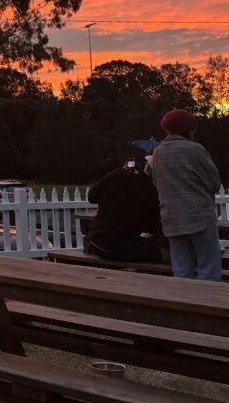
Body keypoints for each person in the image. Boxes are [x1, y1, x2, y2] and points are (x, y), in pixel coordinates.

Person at [149, 108, 223, 281]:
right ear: (190, 129)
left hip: (171, 218)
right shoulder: (195, 149)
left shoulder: (158, 153)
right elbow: (213, 183)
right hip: (199, 216)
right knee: (208, 268)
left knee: (181, 269)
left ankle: (184, 302)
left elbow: (156, 183)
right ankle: (206, 304)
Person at [86, 157, 162, 263]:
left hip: (95, 241)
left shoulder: (117, 174)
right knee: (158, 251)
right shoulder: (153, 194)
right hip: (120, 248)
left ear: (147, 166)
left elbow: (92, 197)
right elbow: (152, 226)